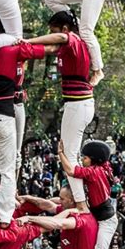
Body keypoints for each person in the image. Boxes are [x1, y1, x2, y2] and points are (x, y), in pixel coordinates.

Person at [0, 20, 52, 224]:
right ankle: (5, 216)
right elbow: (48, 49)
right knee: (7, 169)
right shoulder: (15, 49)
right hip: (3, 115)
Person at [26, 14, 96, 210]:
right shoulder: (67, 47)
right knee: (67, 154)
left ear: (65, 29)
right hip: (77, 104)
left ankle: (81, 203)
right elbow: (49, 47)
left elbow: (59, 39)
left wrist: (25, 40)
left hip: (78, 104)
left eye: (54, 31)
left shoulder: (72, 39)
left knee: (68, 156)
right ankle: (81, 200)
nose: (51, 35)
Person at [58, 139, 118, 249]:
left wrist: (61, 153)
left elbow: (70, 170)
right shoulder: (100, 168)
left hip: (107, 221)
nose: (82, 161)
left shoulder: (94, 172)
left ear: (94, 159)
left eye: (85, 158)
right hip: (99, 217)